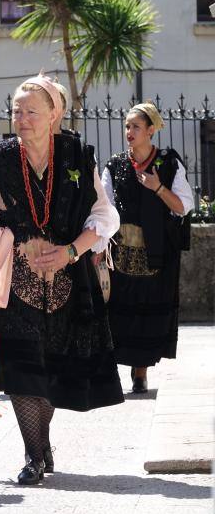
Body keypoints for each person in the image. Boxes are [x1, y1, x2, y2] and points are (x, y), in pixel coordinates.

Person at [0, 74, 123, 485]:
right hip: (15, 276)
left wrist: (70, 251)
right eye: (16, 110)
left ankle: (42, 442)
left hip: (69, 278)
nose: (22, 118)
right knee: (21, 364)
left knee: (51, 365)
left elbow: (104, 217)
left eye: (32, 111)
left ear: (55, 114)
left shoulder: (77, 155)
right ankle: (34, 455)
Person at [102, 102, 193, 393]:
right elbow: (105, 210)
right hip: (121, 252)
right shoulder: (115, 165)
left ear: (150, 130)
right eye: (127, 126)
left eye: (136, 127)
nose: (129, 132)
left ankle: (140, 372)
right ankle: (117, 370)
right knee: (120, 310)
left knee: (147, 312)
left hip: (156, 253)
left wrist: (157, 187)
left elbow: (183, 207)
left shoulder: (168, 164)